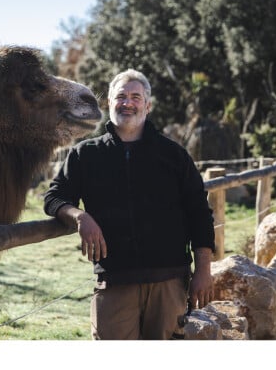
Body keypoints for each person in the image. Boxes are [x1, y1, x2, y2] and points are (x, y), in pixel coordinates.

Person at [43, 68, 215, 340]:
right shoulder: (85, 155)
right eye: (121, 96)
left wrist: (203, 271)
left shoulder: (174, 156)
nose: (128, 103)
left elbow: (199, 213)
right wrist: (79, 217)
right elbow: (54, 197)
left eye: (136, 97)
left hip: (169, 281)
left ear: (147, 105)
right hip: (115, 281)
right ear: (109, 103)